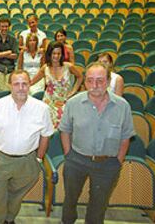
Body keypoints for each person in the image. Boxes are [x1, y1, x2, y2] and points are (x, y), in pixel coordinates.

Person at [59, 62, 135, 224]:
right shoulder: (73, 103)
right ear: (85, 82)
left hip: (108, 164)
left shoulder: (123, 106)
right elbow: (65, 130)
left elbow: (126, 136)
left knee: (98, 205)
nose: (94, 85)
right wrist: (69, 154)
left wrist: (117, 162)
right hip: (77, 161)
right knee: (70, 200)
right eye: (90, 80)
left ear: (108, 81)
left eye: (100, 80)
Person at [0, 70, 55, 224]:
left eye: (24, 84)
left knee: (16, 194)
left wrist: (39, 158)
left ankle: (9, 219)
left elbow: (46, 135)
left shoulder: (42, 109)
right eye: (16, 84)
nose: (21, 88)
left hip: (27, 161)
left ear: (30, 85)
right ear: (9, 86)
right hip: (0, 159)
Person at [31, 42, 83, 128]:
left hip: (63, 102)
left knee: (64, 128)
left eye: (59, 53)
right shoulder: (45, 68)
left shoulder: (68, 66)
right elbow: (32, 82)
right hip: (48, 103)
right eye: (54, 53)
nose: (56, 56)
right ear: (49, 54)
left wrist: (73, 91)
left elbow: (80, 77)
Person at [0, 18, 19, 92]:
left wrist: (0, 53)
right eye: (2, 26)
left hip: (10, 68)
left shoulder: (13, 39)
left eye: (6, 26)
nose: (4, 28)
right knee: (1, 90)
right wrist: (8, 52)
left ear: (9, 27)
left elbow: (15, 56)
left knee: (9, 89)